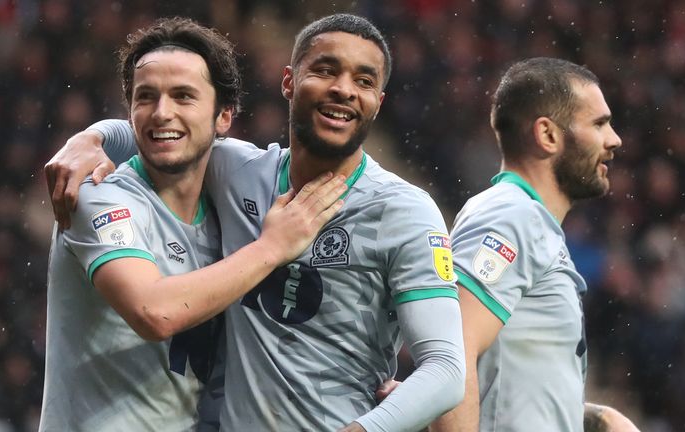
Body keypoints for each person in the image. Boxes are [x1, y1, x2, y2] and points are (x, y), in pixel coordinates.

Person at [45, 13, 465, 432]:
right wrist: (93, 138)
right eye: (324, 70)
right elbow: (174, 130)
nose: (343, 89)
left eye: (364, 81)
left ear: (379, 102)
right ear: (289, 82)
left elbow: (446, 369)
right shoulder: (239, 173)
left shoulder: (405, 210)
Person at [39, 17, 345, 431]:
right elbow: (154, 312)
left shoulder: (230, 205)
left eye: (183, 96)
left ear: (223, 117)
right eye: (146, 97)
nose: (162, 113)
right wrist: (271, 248)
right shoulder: (95, 193)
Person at [431, 57, 639, 431]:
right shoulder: (511, 217)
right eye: (599, 123)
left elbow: (511, 384)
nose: (614, 139)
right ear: (548, 135)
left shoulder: (528, 222)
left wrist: (595, 419)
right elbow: (452, 355)